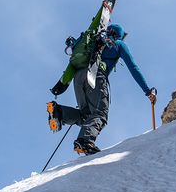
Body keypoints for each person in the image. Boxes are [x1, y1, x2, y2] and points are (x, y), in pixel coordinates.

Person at [49, 23, 156, 155]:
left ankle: (59, 112)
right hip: (95, 75)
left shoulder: (93, 41)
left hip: (78, 78)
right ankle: (85, 141)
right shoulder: (119, 44)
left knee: (86, 116)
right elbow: (133, 68)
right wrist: (147, 90)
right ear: (119, 35)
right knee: (100, 114)